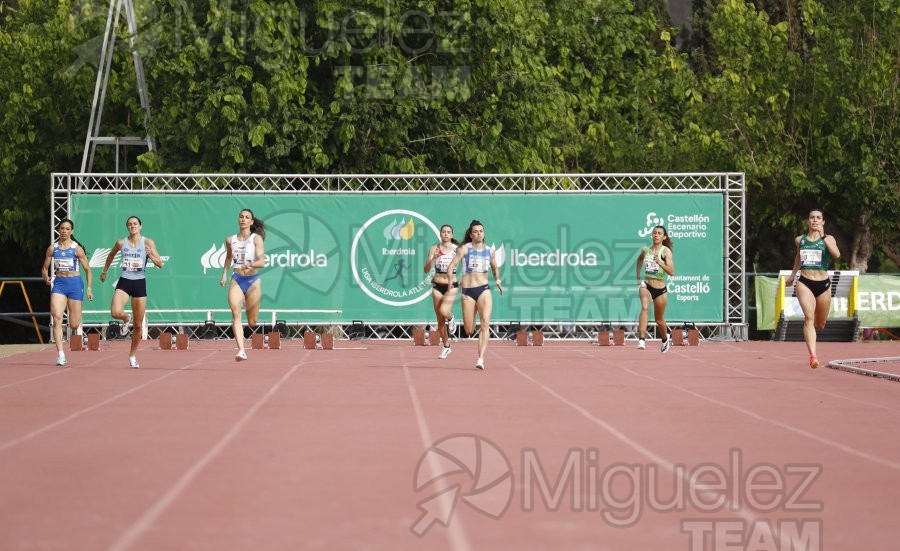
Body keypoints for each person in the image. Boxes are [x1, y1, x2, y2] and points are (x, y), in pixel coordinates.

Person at [99, 216, 165, 368]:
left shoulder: (148, 242)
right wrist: (104, 271)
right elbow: (110, 256)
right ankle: (125, 317)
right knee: (115, 312)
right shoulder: (121, 243)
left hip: (139, 283)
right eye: (129, 224)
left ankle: (133, 355)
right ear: (127, 227)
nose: (132, 226)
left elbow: (160, 264)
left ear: (140, 226)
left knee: (138, 325)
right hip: (124, 281)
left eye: (135, 224)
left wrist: (150, 255)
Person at [785, 209, 841, 369]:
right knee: (808, 318)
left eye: (818, 218)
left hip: (823, 285)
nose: (815, 220)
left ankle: (816, 330)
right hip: (805, 282)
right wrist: (792, 275)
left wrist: (823, 235)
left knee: (820, 323)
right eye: (812, 218)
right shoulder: (799, 240)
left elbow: (837, 254)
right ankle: (813, 356)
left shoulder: (828, 239)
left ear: (823, 222)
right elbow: (798, 257)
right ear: (808, 221)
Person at [447, 220, 503, 370]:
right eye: (476, 232)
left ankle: (480, 359)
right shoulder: (465, 249)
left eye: (481, 231)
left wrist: (497, 280)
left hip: (484, 289)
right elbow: (452, 265)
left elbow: (494, 268)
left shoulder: (489, 251)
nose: (479, 234)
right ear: (471, 235)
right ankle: (462, 319)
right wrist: (451, 279)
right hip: (468, 291)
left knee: (485, 323)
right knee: (469, 330)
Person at [41, 219, 94, 366]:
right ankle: (60, 354)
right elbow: (45, 268)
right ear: (58, 230)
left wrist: (89, 288)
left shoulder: (77, 249)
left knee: (74, 324)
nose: (64, 231)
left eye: (67, 228)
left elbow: (88, 270)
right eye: (62, 228)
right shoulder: (52, 249)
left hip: (75, 284)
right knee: (57, 317)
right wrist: (46, 278)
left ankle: (76, 325)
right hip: (59, 284)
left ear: (72, 231)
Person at [219, 208, 266, 362]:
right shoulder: (230, 240)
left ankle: (248, 302)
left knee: (252, 322)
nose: (243, 219)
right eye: (241, 217)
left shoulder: (256, 239)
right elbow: (228, 257)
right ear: (238, 220)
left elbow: (262, 262)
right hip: (237, 279)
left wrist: (249, 265)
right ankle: (241, 350)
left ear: (251, 222)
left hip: (253, 281)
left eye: (247, 217)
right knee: (235, 313)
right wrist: (225, 274)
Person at [635, 225, 675, 352]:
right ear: (652, 235)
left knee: (659, 320)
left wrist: (660, 263)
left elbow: (671, 272)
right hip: (646, 285)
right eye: (654, 233)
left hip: (660, 289)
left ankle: (664, 339)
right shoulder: (645, 250)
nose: (656, 235)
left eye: (659, 233)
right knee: (645, 308)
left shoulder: (665, 251)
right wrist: (637, 277)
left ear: (664, 237)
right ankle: (641, 339)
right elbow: (639, 260)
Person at [423, 224, 460, 359]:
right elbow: (426, 269)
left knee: (445, 311)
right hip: (437, 285)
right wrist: (433, 258)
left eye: (448, 232)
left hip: (451, 285)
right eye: (443, 232)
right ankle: (446, 347)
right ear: (440, 234)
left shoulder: (457, 249)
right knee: (439, 321)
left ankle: (451, 318)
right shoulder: (434, 248)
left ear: (451, 235)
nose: (446, 234)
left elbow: (467, 266)